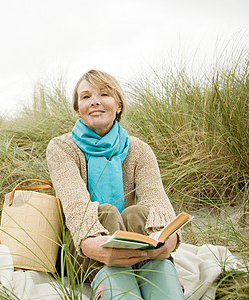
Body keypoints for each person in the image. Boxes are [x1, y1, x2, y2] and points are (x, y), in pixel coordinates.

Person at [46, 70, 185, 299]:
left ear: (118, 105)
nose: (95, 102)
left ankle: (162, 279)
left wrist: (168, 241)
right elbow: (76, 206)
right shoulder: (61, 148)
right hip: (82, 247)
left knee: (139, 214)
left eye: (104, 94)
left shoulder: (139, 149)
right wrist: (94, 246)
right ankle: (115, 283)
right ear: (78, 108)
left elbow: (156, 200)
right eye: (86, 97)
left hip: (134, 240)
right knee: (107, 214)